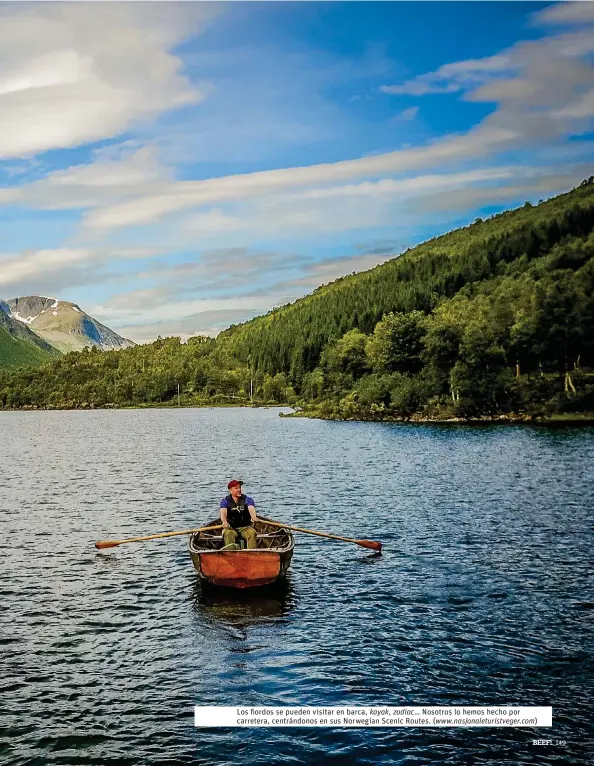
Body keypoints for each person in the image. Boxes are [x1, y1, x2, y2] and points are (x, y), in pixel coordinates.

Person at [219, 480, 258, 550]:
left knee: (252, 533)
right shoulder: (225, 501)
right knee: (228, 534)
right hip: (230, 527)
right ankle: (230, 555)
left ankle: (252, 554)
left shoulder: (247, 499)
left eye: (240, 488)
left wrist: (254, 517)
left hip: (245, 527)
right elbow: (223, 513)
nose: (239, 490)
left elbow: (251, 509)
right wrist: (224, 522)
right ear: (230, 491)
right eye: (236, 488)